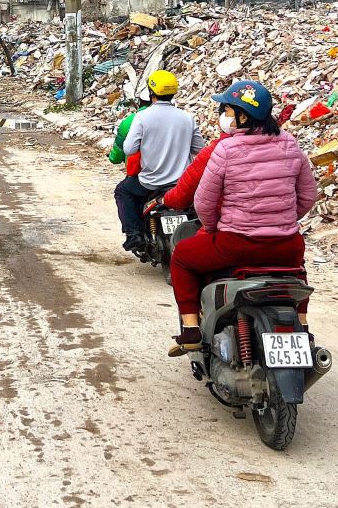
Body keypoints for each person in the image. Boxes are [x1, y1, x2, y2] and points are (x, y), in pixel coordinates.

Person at [164, 80, 316, 356]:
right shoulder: (290, 145)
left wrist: (211, 229)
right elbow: (307, 196)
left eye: (228, 110)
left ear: (243, 116)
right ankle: (302, 327)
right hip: (286, 244)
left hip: (237, 243)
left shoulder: (226, 149)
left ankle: (191, 330)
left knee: (183, 257)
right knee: (297, 272)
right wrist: (282, 221)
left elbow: (204, 202)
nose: (224, 116)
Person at [114, 70, 206, 254]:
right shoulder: (187, 118)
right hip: (182, 183)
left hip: (149, 183)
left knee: (123, 191)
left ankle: (134, 235)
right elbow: (199, 149)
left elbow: (129, 150)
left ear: (150, 92)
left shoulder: (142, 117)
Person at [107, 90, 152, 179]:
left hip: (139, 174)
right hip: (172, 175)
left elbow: (118, 154)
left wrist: (113, 157)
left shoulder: (129, 121)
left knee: (121, 191)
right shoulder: (179, 118)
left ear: (139, 102)